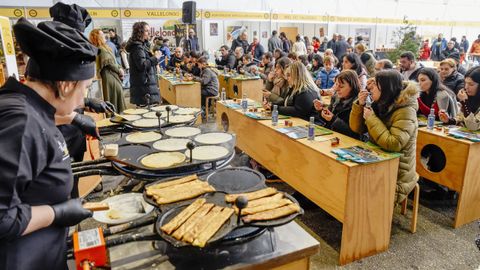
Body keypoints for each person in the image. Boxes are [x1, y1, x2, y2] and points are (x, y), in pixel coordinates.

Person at [0, 17, 96, 269]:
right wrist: (57, 213)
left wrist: (74, 117)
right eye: (85, 88)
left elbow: (43, 119)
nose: (82, 98)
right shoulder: (20, 124)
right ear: (65, 85)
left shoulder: (25, 105)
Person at [350, 70, 419, 203]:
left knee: (361, 194)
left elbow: (394, 143)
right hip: (377, 159)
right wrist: (359, 105)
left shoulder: (406, 111)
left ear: (386, 89)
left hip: (398, 171)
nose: (371, 88)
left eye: (376, 85)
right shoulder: (380, 103)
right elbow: (357, 128)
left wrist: (371, 119)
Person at [313, 70, 360, 138]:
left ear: (352, 86)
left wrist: (333, 119)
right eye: (336, 85)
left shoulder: (359, 104)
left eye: (341, 86)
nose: (337, 89)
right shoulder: (336, 97)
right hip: (332, 136)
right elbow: (327, 119)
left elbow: (355, 133)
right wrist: (321, 110)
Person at [89, 29, 127, 113]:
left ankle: (118, 115)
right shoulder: (100, 49)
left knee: (117, 95)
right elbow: (109, 63)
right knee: (114, 96)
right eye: (101, 34)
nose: (104, 36)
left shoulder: (105, 47)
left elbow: (114, 61)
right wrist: (119, 70)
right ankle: (115, 116)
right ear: (97, 37)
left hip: (112, 74)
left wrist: (120, 69)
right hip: (109, 76)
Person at [126, 21, 162, 106]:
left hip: (145, 87)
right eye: (146, 31)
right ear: (139, 32)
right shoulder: (137, 47)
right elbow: (142, 66)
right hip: (144, 88)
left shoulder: (141, 46)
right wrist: (155, 58)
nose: (149, 33)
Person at [439, 66, 480, 131]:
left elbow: (473, 127)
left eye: (471, 84)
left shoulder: (466, 99)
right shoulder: (471, 97)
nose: (466, 87)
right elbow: (460, 118)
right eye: (465, 83)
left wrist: (464, 102)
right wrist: (449, 120)